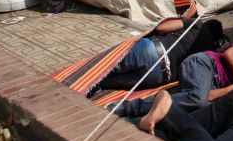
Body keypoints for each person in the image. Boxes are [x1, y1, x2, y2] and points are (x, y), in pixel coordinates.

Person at [115, 32, 233, 116]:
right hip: (205, 64)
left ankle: (125, 107)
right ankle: (128, 108)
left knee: (195, 105)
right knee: (196, 99)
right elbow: (230, 53)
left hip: (213, 84)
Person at [87, 17, 225, 96]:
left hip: (152, 51)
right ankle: (82, 91)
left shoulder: (197, 25)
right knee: (105, 83)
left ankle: (75, 85)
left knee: (103, 68)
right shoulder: (209, 52)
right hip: (159, 77)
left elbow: (161, 28)